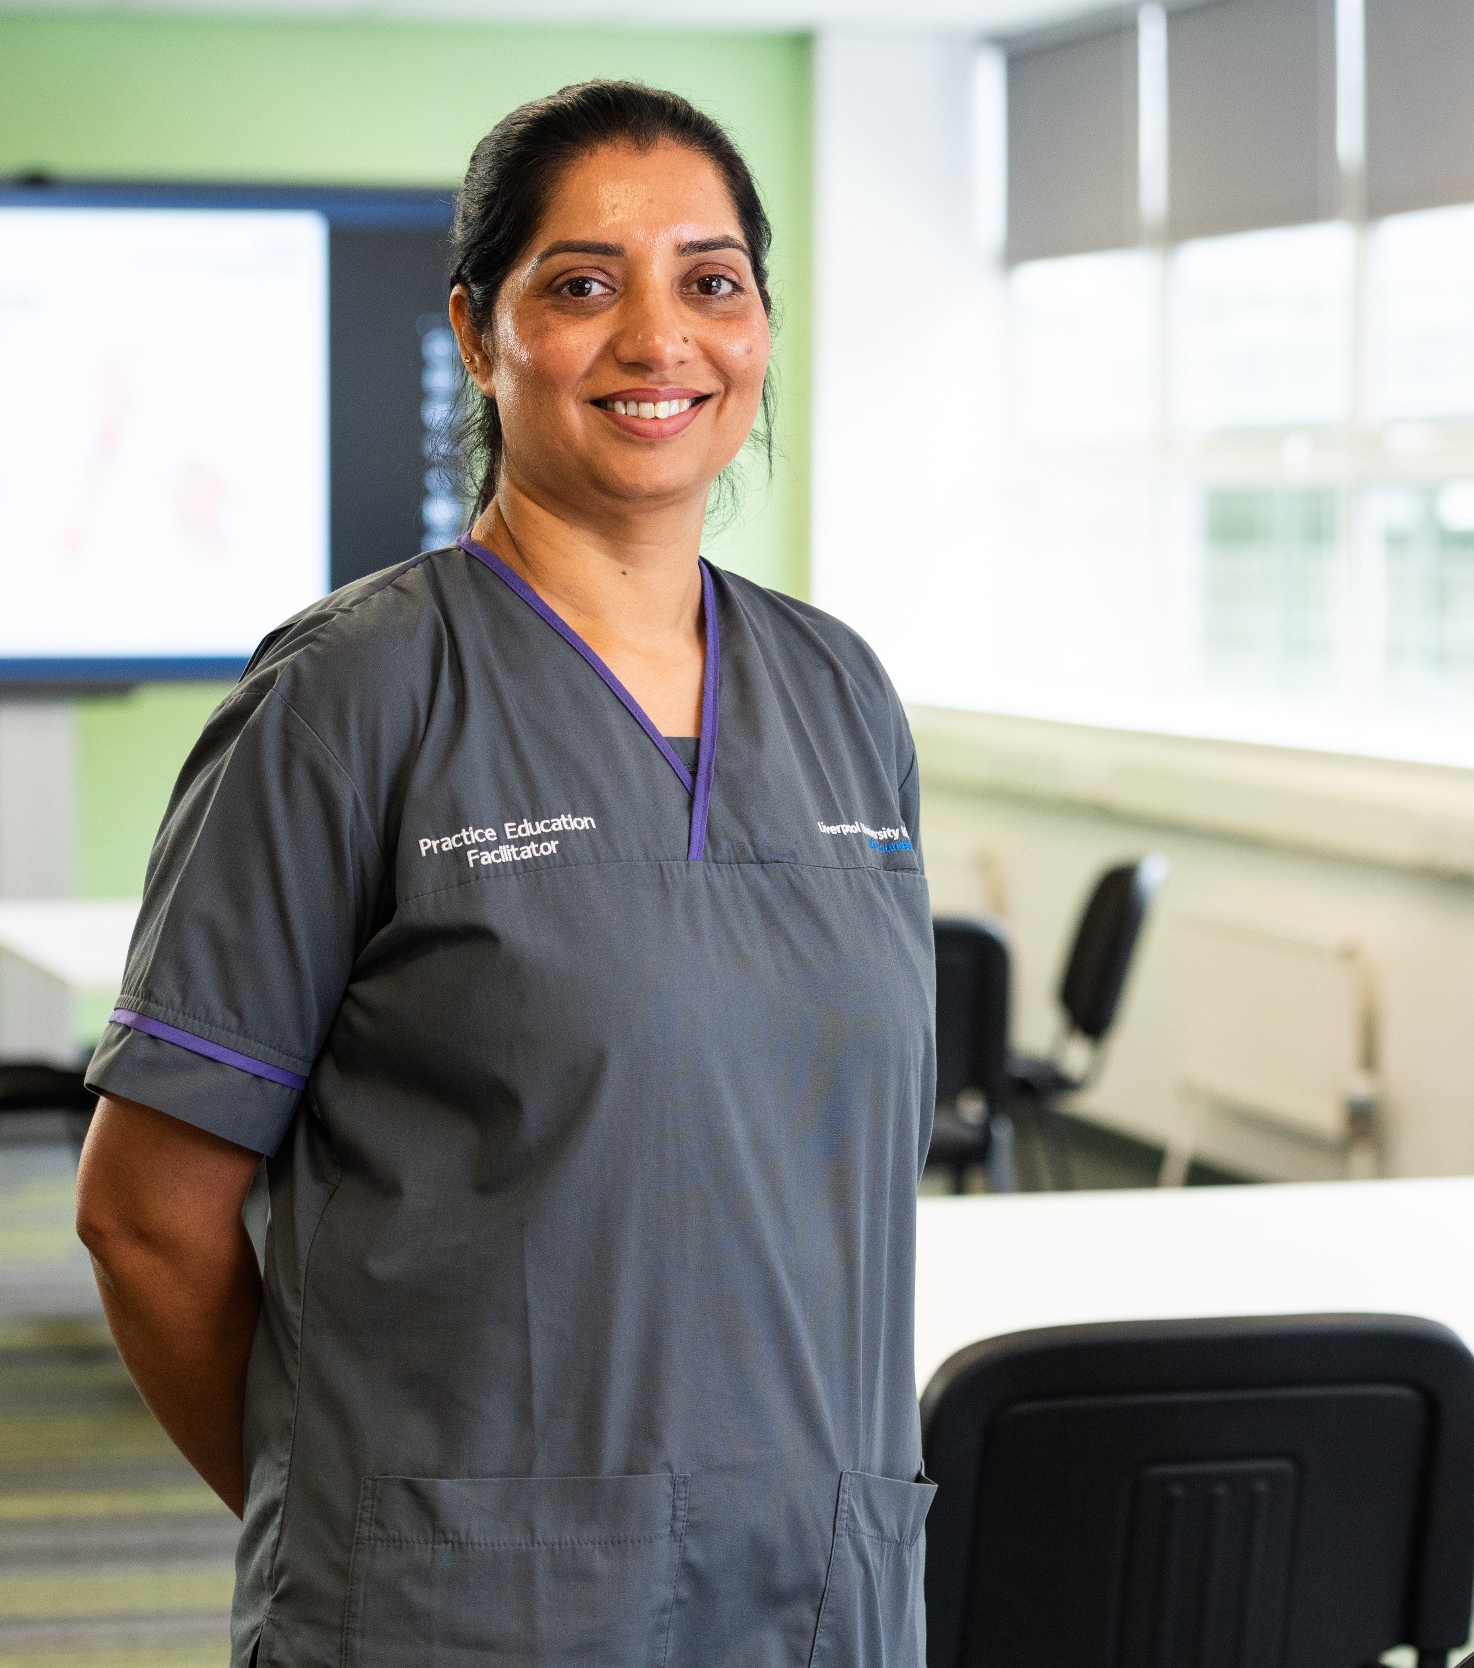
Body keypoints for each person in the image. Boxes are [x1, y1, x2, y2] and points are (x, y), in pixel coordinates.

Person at [73, 81, 934, 1668]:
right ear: (481, 334)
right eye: (584, 284)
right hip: (459, 1617)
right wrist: (341, 1514)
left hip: (816, 1598)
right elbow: (146, 1216)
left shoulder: (841, 696)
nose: (658, 338)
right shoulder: (352, 696)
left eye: (712, 281)